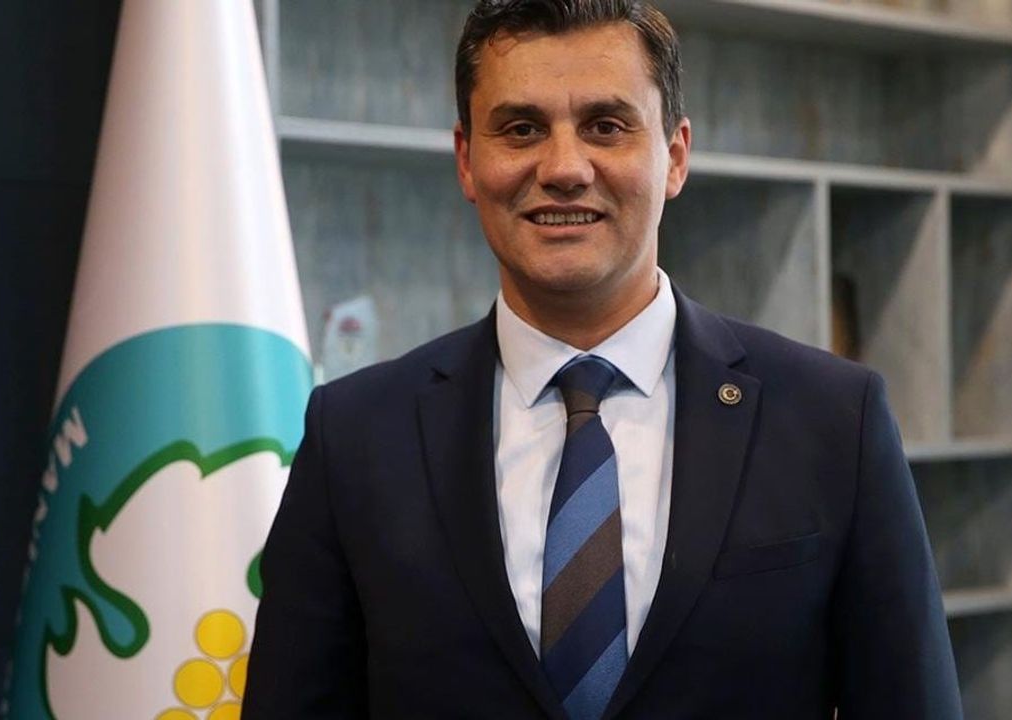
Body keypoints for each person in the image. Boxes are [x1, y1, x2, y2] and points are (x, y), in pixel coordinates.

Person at [242, 0, 963, 718]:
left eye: (606, 126)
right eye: (521, 129)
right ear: (467, 160)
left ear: (674, 156)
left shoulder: (835, 420)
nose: (564, 168)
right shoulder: (355, 435)